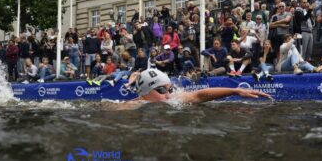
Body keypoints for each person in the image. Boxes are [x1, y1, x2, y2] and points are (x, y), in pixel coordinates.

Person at [105, 68, 271, 110]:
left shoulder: (173, 99)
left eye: (170, 89)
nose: (169, 95)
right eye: (162, 91)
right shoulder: (132, 106)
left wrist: (235, 91)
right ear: (145, 94)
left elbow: (199, 95)